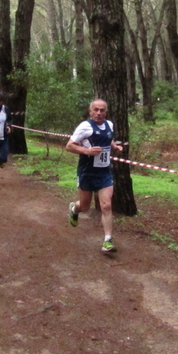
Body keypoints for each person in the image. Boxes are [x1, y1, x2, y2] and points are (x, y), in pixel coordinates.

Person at [65, 99, 123, 255]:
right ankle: (74, 208)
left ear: (106, 112)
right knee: (85, 206)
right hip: (87, 172)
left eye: (102, 110)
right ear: (90, 111)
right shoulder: (85, 126)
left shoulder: (109, 125)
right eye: (96, 110)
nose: (99, 113)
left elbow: (108, 138)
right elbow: (69, 145)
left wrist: (115, 146)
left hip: (104, 172)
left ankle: (108, 241)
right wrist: (87, 152)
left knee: (106, 205)